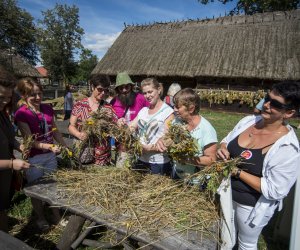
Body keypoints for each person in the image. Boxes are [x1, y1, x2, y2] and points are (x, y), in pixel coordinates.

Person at [217, 81, 300, 250]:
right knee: (224, 237)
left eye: (276, 104)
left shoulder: (288, 148)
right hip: (225, 192)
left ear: (289, 113)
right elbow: (227, 139)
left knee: (246, 244)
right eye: (267, 98)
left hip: (249, 205)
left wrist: (237, 172)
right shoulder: (248, 121)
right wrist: (223, 148)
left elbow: (276, 190)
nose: (267, 105)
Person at [15, 77, 68, 231]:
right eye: (33, 95)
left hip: (50, 156)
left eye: (40, 93)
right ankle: (40, 217)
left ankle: (56, 216)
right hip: (34, 157)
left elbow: (55, 130)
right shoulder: (22, 113)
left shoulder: (47, 108)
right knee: (36, 188)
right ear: (24, 95)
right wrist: (49, 146)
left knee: (53, 185)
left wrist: (64, 146)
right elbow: (29, 140)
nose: (38, 98)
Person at [159, 88, 217, 180]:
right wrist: (163, 141)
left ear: (191, 108)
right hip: (177, 175)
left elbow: (211, 160)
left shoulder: (206, 129)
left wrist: (186, 159)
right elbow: (168, 136)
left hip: (197, 182)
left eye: (177, 107)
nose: (174, 109)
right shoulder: (176, 122)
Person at [0, 66, 30, 232]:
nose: (5, 102)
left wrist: (20, 145)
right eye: (0, 97)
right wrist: (12, 164)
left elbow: (8, 138)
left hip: (3, 179)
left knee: (2, 210)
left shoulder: (2, 114)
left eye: (8, 98)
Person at [127, 77, 174, 175]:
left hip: (158, 163)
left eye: (150, 92)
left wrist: (149, 148)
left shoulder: (168, 112)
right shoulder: (143, 111)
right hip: (139, 160)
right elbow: (131, 127)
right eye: (144, 93)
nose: (147, 96)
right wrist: (123, 125)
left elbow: (168, 139)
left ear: (159, 90)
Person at [68, 74, 117, 165]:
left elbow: (114, 127)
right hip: (84, 150)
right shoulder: (80, 105)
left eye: (105, 90)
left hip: (102, 154)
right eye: (100, 89)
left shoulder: (108, 107)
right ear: (92, 87)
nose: (103, 93)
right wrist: (78, 134)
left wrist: (110, 120)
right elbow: (71, 126)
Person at [111, 72, 149, 167]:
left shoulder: (141, 98)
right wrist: (116, 121)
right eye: (121, 88)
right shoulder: (114, 101)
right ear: (117, 89)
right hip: (122, 145)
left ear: (131, 86)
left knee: (139, 172)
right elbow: (110, 119)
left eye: (126, 87)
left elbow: (151, 113)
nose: (124, 90)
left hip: (140, 144)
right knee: (122, 170)